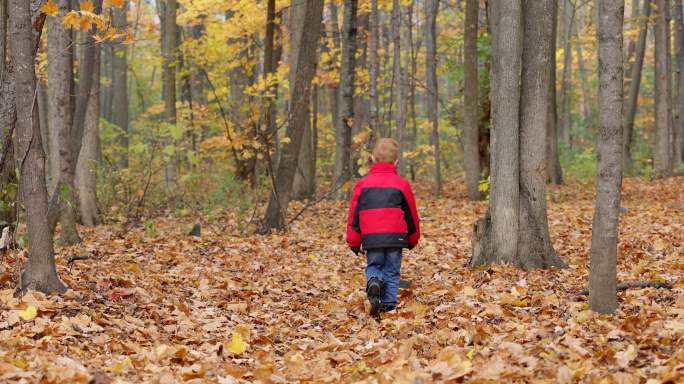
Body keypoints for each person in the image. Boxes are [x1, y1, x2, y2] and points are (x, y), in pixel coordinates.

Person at [346, 138, 420, 316]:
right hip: (396, 237)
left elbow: (354, 215)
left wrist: (354, 241)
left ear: (372, 158)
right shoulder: (402, 184)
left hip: (372, 238)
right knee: (392, 271)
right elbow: (411, 214)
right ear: (396, 161)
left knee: (374, 264)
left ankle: (374, 282)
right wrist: (413, 238)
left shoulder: (362, 185)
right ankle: (388, 305)